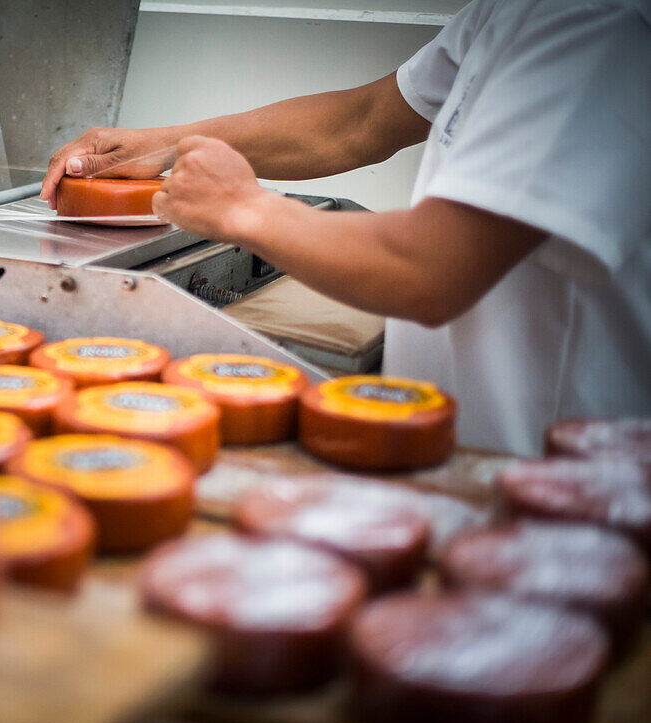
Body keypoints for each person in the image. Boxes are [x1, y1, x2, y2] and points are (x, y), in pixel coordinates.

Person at [40, 0, 651, 456]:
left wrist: (242, 210)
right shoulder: (510, 11)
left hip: (555, 480)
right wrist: (160, 146)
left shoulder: (594, 21)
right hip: (463, 457)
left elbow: (430, 269)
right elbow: (358, 122)